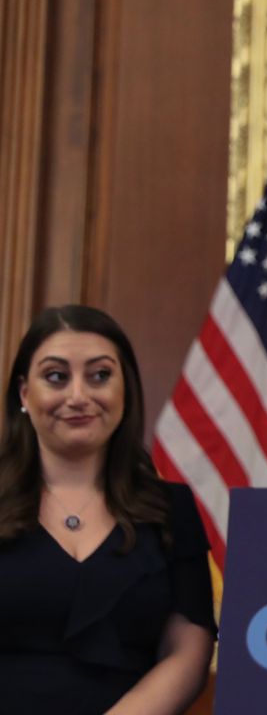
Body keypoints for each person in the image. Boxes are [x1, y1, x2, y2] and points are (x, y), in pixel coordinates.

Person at [0, 306, 215, 714]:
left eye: (100, 375)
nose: (78, 396)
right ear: (25, 394)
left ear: (125, 391)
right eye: (56, 377)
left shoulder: (172, 508)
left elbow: (187, 650)